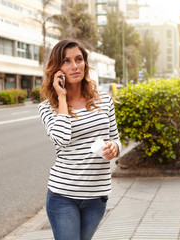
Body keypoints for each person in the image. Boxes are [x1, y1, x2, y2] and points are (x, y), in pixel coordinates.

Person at [38, 39, 121, 240]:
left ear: (85, 63)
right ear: (57, 69)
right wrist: (62, 98)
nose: (74, 66)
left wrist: (114, 148)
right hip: (63, 196)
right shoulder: (48, 108)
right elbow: (62, 139)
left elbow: (117, 141)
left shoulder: (104, 99)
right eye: (66, 61)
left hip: (97, 196)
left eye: (79, 59)